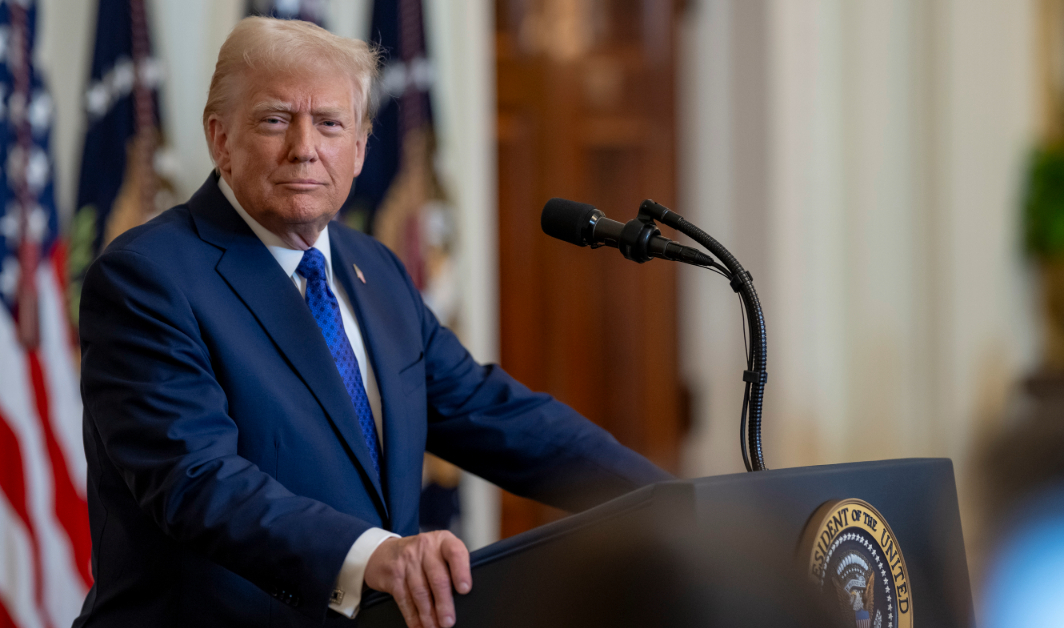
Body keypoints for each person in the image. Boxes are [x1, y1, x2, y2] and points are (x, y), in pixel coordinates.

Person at [73, 17, 670, 628]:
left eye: (331, 124)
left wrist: (669, 504)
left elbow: (490, 411)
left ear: (360, 149)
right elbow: (197, 480)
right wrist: (375, 555)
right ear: (220, 138)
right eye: (276, 119)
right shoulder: (147, 278)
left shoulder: (373, 267)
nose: (304, 147)